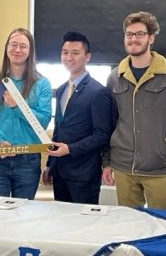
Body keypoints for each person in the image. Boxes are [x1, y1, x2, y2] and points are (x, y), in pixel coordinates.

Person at [102, 11, 166, 210]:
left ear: (151, 38)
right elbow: (110, 123)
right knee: (130, 227)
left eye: (140, 34)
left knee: (161, 226)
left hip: (158, 168)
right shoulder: (115, 77)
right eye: (129, 34)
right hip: (123, 168)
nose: (133, 39)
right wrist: (106, 162)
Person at [42, 32, 113, 204]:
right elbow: (59, 129)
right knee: (63, 224)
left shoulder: (98, 92)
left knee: (84, 226)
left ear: (87, 57)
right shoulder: (60, 90)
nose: (69, 57)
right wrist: (50, 164)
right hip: (59, 172)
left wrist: (70, 149)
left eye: (75, 52)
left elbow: (102, 135)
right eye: (65, 52)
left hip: (84, 174)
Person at [0, 28, 52, 200]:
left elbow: (42, 122)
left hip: (28, 161)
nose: (18, 50)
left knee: (22, 217)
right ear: (6, 48)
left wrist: (18, 106)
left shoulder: (42, 84)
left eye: (23, 46)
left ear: (30, 51)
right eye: (13, 45)